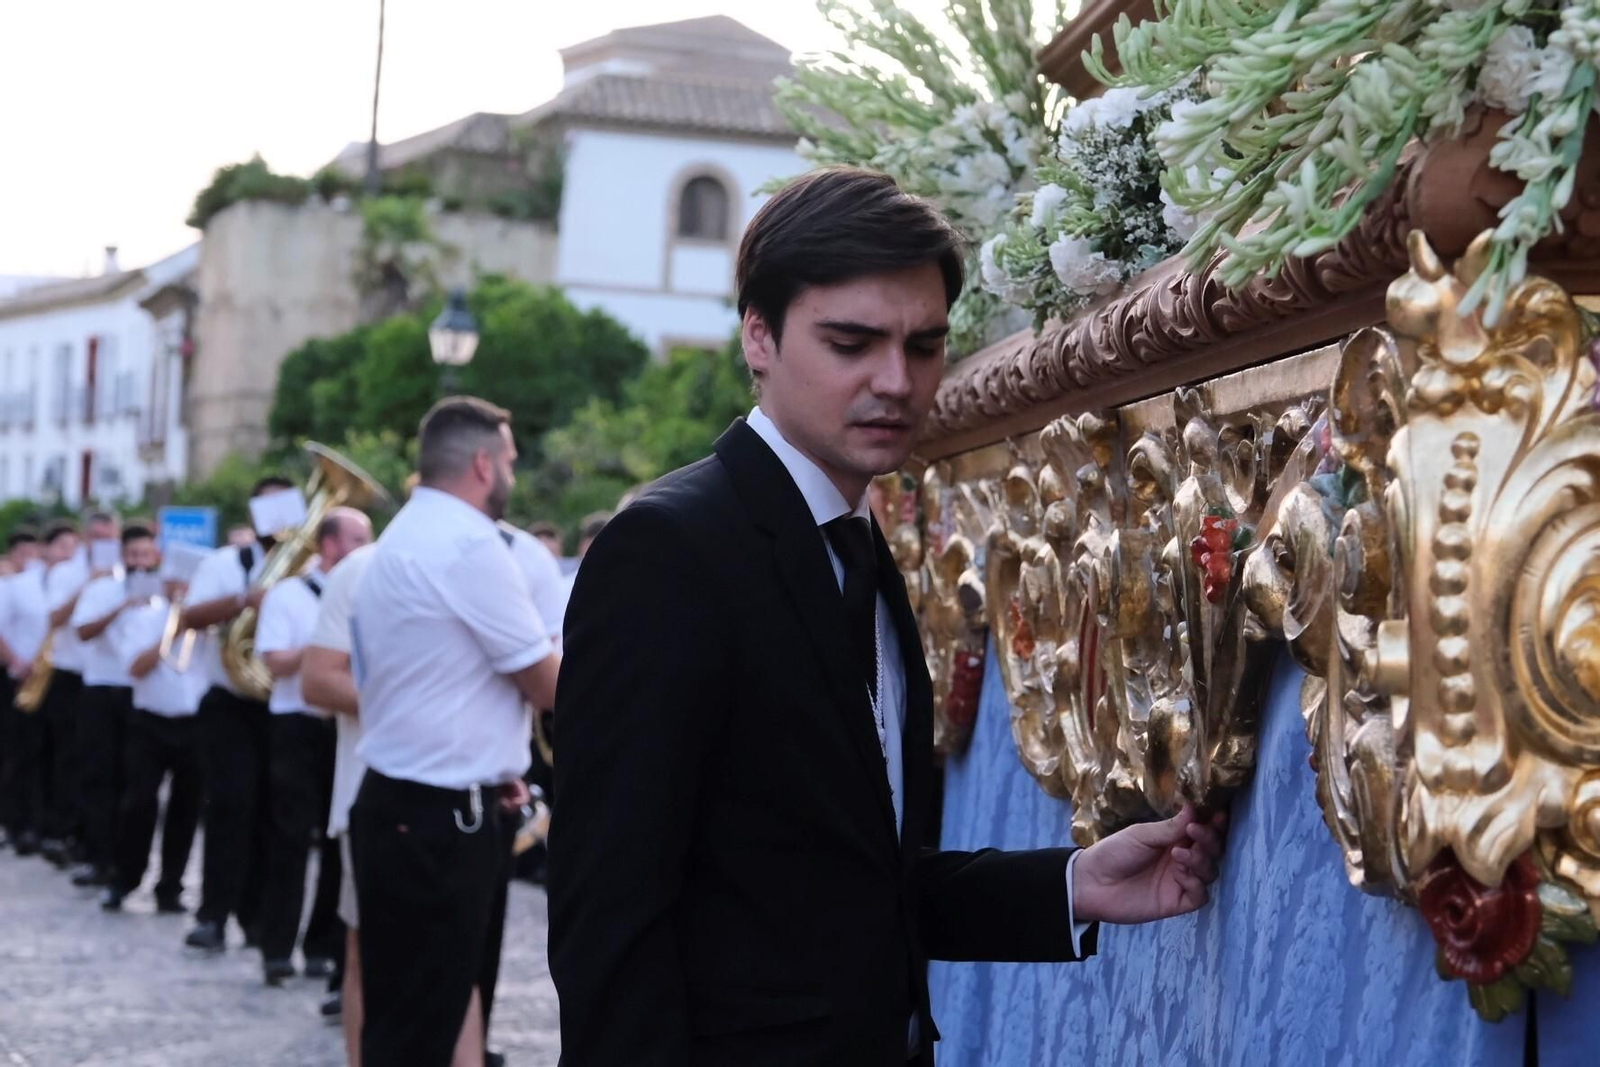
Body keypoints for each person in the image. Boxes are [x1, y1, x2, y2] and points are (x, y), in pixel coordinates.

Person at [549, 168, 1230, 1065]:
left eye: (923, 345)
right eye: (851, 342)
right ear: (758, 335)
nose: (895, 380)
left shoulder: (857, 544)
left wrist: (1073, 884)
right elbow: (609, 921)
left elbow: (858, 879)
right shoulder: (669, 551)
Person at [348, 397, 560, 1066]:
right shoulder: (469, 545)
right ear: (482, 463)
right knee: (422, 1031)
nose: (514, 477)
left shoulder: (405, 533)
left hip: (407, 805)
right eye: (512, 462)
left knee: (408, 1020)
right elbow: (550, 683)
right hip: (436, 822)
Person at [254, 507, 372, 986]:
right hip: (295, 726)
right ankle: (276, 947)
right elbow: (275, 662)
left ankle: (322, 947)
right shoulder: (288, 594)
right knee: (289, 840)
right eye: (357, 537)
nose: (367, 546)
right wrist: (323, 642)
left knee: (335, 838)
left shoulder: (367, 589)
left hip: (340, 726)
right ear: (328, 546)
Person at [180, 475, 296, 953]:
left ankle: (258, 918)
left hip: (281, 705)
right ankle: (213, 914)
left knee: (276, 815)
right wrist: (245, 601)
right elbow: (190, 617)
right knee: (230, 806)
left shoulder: (306, 570)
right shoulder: (226, 562)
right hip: (230, 701)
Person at [101, 561, 207, 913]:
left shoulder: (207, 626)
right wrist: (173, 630)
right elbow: (135, 667)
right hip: (149, 721)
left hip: (195, 724)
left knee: (187, 807)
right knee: (139, 803)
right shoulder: (145, 618)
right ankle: (124, 879)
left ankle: (170, 886)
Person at [72, 522, 159, 898]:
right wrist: (121, 606)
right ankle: (99, 857)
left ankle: (128, 863)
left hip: (141, 693)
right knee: (99, 775)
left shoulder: (163, 594)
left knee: (136, 783)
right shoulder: (103, 589)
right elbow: (83, 631)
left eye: (146, 555)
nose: (140, 562)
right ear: (123, 556)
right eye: (133, 555)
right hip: (103, 688)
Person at [39, 513, 118, 869]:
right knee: (68, 758)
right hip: (71, 674)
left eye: (108, 537)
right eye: (96, 536)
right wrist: (87, 584)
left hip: (109, 679)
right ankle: (63, 830)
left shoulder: (126, 572)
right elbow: (55, 619)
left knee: (103, 763)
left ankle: (96, 839)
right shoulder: (67, 572)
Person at [0, 528, 46, 854]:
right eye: (23, 554)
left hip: (39, 677)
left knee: (35, 751)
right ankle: (13, 821)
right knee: (13, 752)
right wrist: (16, 661)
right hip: (12, 675)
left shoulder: (39, 587)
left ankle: (31, 821)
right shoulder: (11, 587)